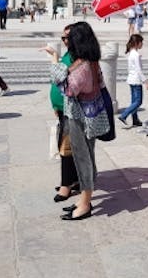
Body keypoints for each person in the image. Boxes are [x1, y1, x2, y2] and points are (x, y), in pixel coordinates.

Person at [54, 21, 105, 221]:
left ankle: (85, 204)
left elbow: (68, 89)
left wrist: (55, 66)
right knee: (86, 157)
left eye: (70, 38)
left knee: (82, 159)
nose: (68, 42)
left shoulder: (83, 65)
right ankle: (84, 198)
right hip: (86, 115)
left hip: (80, 117)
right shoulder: (89, 61)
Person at [44, 25, 79, 203]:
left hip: (73, 110)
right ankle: (75, 180)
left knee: (66, 148)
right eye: (62, 38)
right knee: (68, 146)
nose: (64, 41)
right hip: (63, 108)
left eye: (67, 38)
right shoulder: (69, 54)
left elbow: (61, 78)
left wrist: (55, 58)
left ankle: (67, 185)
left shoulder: (79, 57)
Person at [119, 34, 148, 126]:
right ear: (137, 43)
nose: (142, 44)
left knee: (134, 101)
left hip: (131, 79)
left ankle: (135, 119)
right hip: (136, 80)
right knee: (138, 101)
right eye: (141, 42)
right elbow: (139, 70)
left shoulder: (131, 53)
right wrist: (146, 82)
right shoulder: (136, 55)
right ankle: (124, 115)